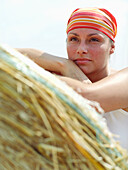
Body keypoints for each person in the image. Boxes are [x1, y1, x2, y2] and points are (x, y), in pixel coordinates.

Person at [17, 7, 128, 150]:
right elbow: (7, 58)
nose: (81, 49)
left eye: (94, 40)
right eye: (74, 39)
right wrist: (63, 65)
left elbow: (88, 100)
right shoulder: (61, 77)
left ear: (111, 47)